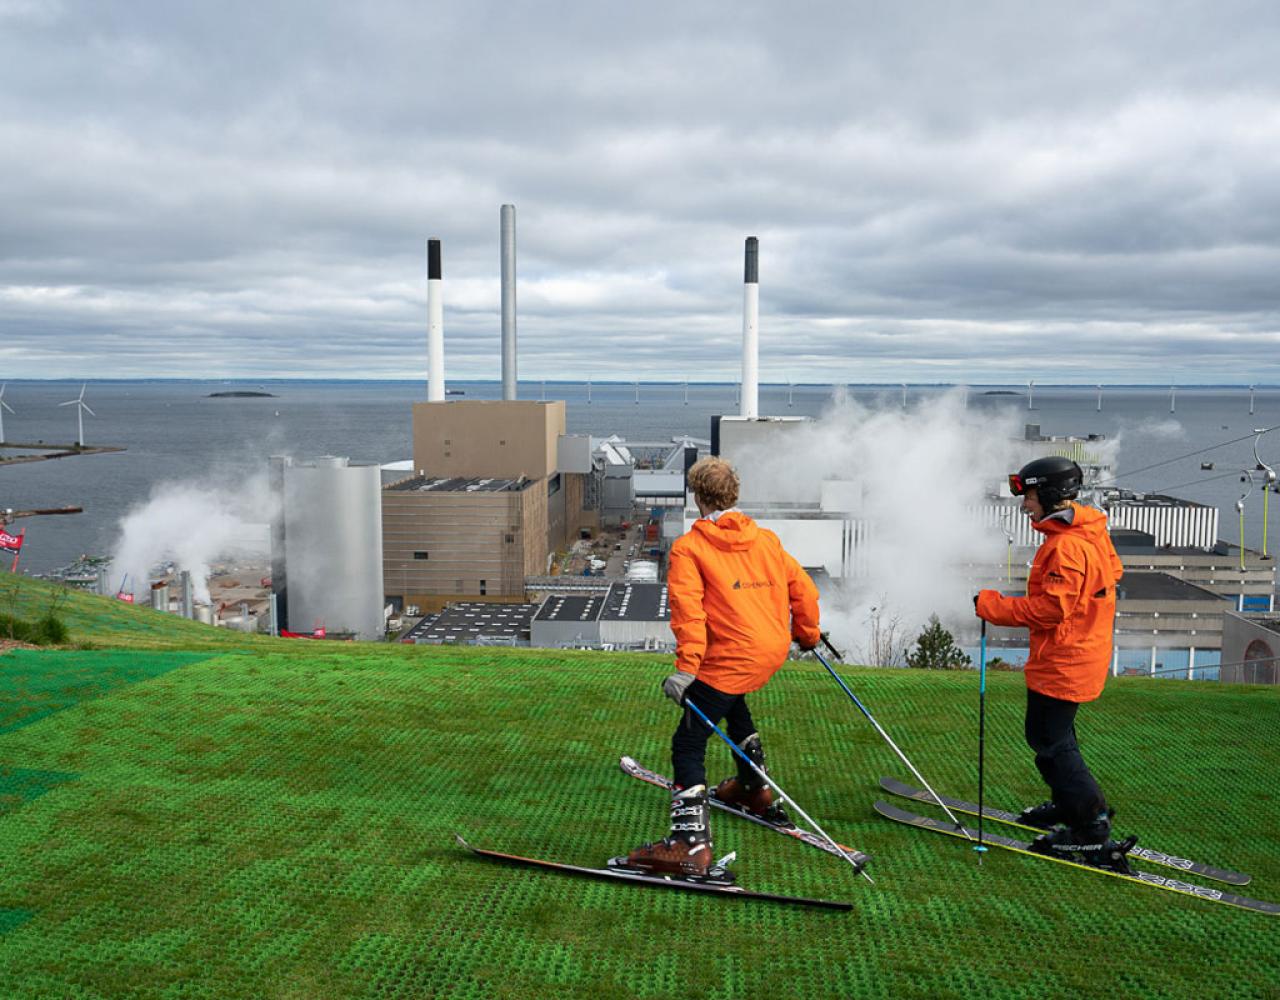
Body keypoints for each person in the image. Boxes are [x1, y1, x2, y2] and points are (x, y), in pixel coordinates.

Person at [625, 456, 821, 877]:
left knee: (688, 744)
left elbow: (688, 612)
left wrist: (686, 668)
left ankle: (689, 846)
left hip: (728, 655)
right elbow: (802, 588)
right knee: (733, 698)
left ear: (698, 497)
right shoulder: (765, 539)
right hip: (767, 651)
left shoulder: (691, 548)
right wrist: (807, 633)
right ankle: (753, 788)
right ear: (734, 494)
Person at [974, 455, 1134, 872]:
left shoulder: (1065, 545)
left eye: (1028, 496)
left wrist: (992, 606)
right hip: (1079, 653)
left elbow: (1050, 610)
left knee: (1050, 742)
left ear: (1045, 493)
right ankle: (1069, 804)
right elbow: (1112, 572)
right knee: (1056, 738)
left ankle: (1091, 829)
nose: (1025, 506)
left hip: (1063, 660)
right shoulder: (1089, 531)